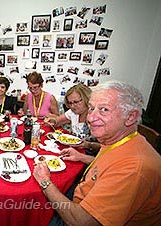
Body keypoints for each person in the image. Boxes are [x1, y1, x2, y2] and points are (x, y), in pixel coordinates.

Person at [33, 81, 161, 225]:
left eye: (104, 109)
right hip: (82, 193)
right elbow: (108, 168)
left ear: (130, 117)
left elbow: (81, 221)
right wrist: (81, 156)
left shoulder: (133, 168)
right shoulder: (117, 141)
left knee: (34, 214)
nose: (90, 118)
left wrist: (45, 182)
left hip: (77, 217)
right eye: (91, 108)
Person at [45, 83, 100, 153]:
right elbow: (57, 122)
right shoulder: (72, 112)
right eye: (70, 103)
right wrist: (52, 121)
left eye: (76, 102)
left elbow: (104, 147)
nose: (73, 106)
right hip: (74, 151)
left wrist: (88, 145)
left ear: (86, 99)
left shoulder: (95, 117)